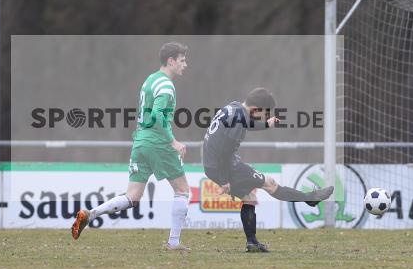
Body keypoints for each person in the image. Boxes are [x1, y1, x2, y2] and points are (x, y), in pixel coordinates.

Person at [71, 42, 191, 251]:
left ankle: (90, 214)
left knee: (132, 196)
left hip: (140, 141)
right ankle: (174, 242)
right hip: (157, 142)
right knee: (182, 190)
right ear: (171, 61)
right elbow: (157, 115)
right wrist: (173, 141)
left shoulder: (149, 80)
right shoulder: (165, 84)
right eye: (182, 60)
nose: (185, 65)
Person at [202, 88, 334, 252]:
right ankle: (310, 198)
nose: (264, 116)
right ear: (254, 109)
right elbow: (224, 151)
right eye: (263, 114)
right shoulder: (238, 119)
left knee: (249, 196)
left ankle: (252, 243)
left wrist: (266, 124)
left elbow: (246, 124)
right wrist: (223, 179)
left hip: (212, 163)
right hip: (222, 165)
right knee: (269, 183)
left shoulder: (235, 107)